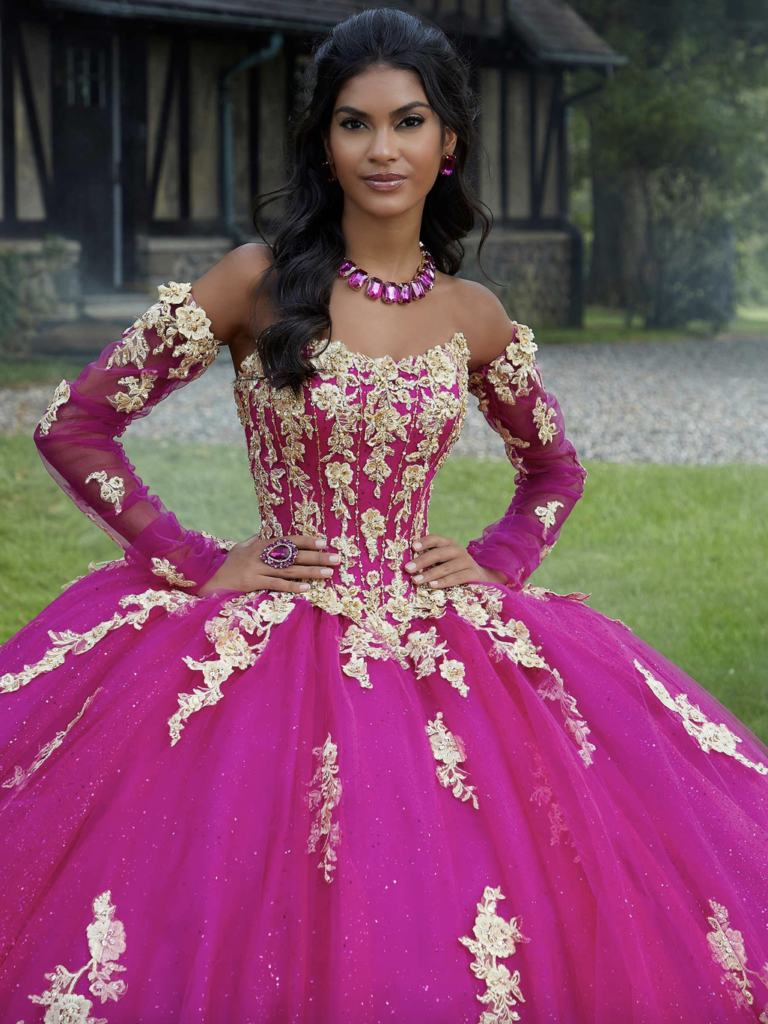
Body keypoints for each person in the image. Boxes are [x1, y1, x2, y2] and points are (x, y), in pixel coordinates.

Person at [1, 8, 767, 1024]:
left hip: (437, 641)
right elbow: (79, 422)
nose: (382, 148)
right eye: (355, 123)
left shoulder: (472, 313)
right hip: (266, 644)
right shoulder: (254, 281)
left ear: (447, 141)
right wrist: (192, 557)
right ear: (326, 141)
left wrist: (499, 559)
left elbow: (554, 468)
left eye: (407, 122)